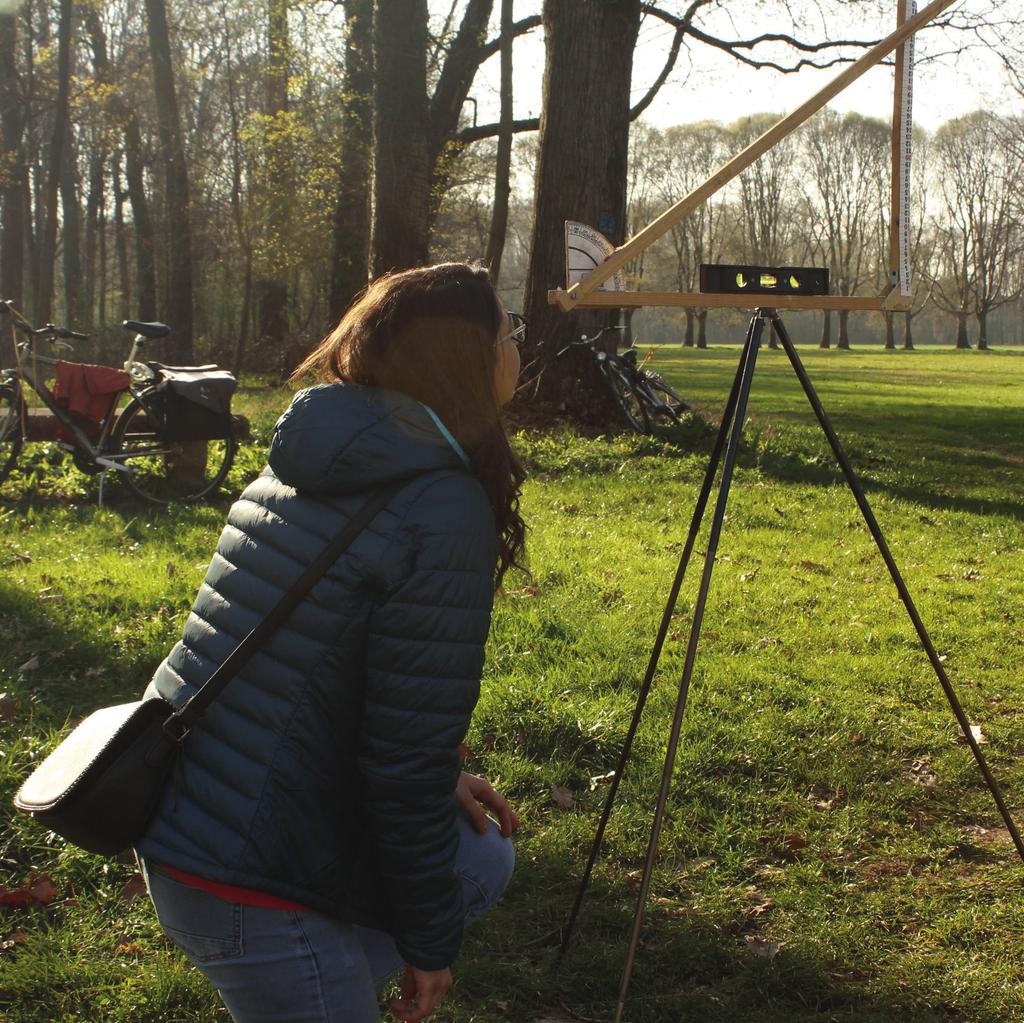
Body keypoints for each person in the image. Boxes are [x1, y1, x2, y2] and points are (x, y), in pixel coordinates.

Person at [135, 262, 527, 1023]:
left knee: (479, 854)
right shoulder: (440, 506)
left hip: (182, 826)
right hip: (241, 881)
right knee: (447, 878)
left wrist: (443, 779)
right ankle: (306, 977)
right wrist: (428, 943)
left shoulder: (319, 448)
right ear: (466, 360)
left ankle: (319, 983)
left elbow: (306, 672)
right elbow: (402, 761)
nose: (519, 350)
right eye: (510, 333)